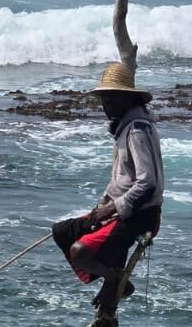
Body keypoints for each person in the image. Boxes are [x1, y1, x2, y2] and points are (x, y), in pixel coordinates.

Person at [52, 62, 164, 312]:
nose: (107, 106)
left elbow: (147, 183)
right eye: (104, 100)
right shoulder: (126, 128)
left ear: (126, 99)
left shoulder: (137, 131)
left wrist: (112, 209)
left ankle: (115, 280)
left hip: (140, 214)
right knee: (62, 231)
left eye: (112, 99)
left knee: (79, 251)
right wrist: (101, 207)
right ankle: (109, 277)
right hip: (121, 208)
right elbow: (121, 180)